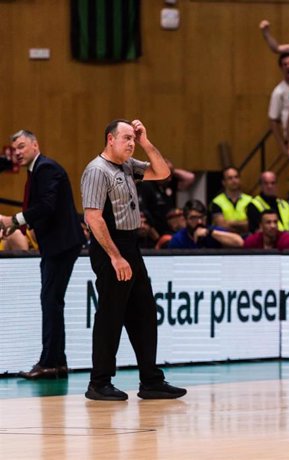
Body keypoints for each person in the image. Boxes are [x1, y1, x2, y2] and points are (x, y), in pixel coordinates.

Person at [80, 119, 186, 401]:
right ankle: (99, 382)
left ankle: (151, 380)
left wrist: (146, 142)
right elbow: (93, 217)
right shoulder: (96, 170)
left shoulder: (127, 166)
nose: (130, 143)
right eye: (126, 138)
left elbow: (162, 173)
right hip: (110, 247)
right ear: (110, 139)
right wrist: (115, 257)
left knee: (145, 313)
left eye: (133, 139)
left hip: (131, 246)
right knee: (111, 315)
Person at [0, 130, 85, 379]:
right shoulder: (38, 170)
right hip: (57, 245)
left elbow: (46, 206)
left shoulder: (46, 168)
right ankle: (57, 362)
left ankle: (49, 362)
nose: (18, 151)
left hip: (60, 245)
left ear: (35, 145)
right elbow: (43, 209)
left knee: (50, 301)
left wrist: (12, 219)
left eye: (22, 146)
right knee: (52, 302)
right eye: (15, 148)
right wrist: (16, 225)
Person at [168, 200, 243, 249]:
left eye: (202, 217)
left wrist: (210, 233)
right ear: (185, 219)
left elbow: (239, 242)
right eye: (194, 218)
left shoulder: (211, 231)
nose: (199, 222)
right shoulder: (178, 239)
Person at [210, 166, 253, 234]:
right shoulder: (217, 202)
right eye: (230, 178)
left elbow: (252, 225)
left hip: (247, 238)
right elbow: (221, 226)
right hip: (225, 239)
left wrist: (230, 222)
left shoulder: (250, 200)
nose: (234, 180)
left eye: (236, 177)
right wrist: (243, 223)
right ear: (224, 182)